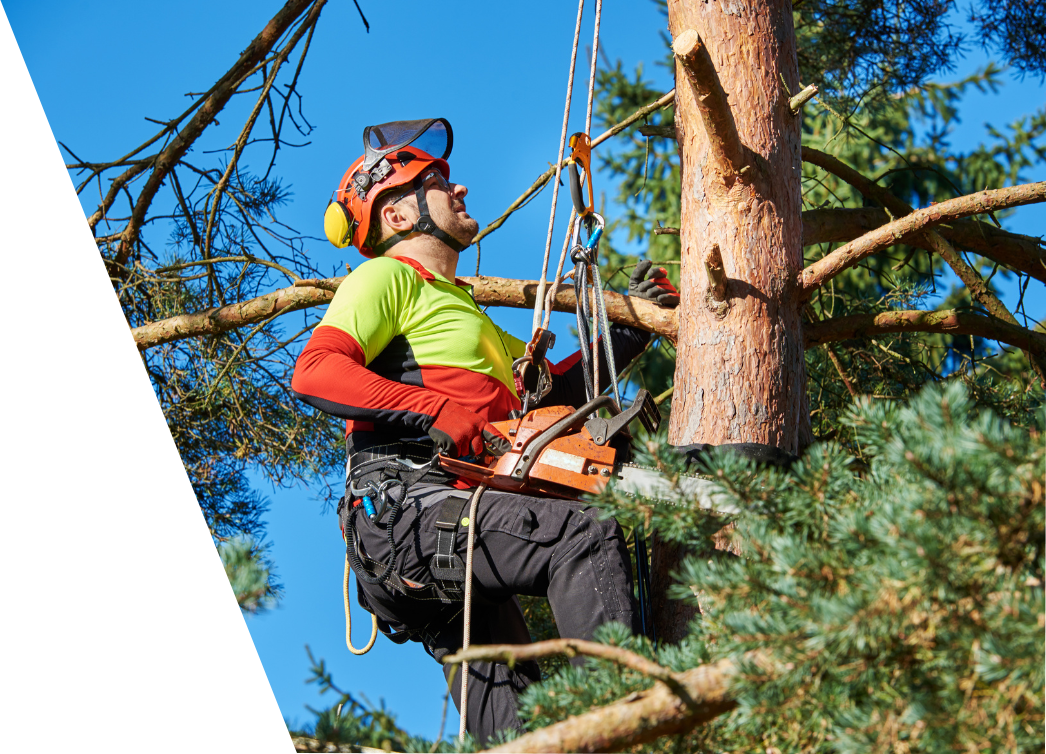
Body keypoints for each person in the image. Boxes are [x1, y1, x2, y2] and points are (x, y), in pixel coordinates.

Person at [291, 119, 679, 744]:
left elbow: (553, 397)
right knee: (579, 536)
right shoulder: (389, 278)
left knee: (516, 730)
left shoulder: (467, 313)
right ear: (395, 217)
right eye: (438, 182)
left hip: (452, 521)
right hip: (407, 509)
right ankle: (627, 719)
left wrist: (631, 331)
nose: (461, 188)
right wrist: (431, 410)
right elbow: (315, 371)